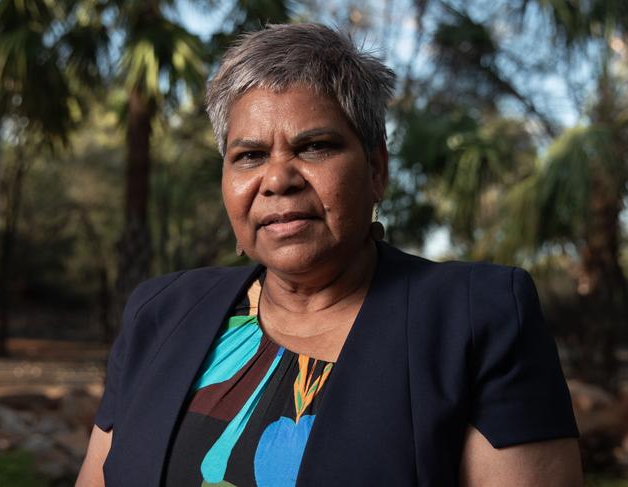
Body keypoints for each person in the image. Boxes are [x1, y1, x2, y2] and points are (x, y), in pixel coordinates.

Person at [77, 23, 582, 487]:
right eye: (249, 156)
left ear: (376, 169)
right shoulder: (161, 313)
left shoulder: (478, 320)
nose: (277, 180)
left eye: (315, 146)